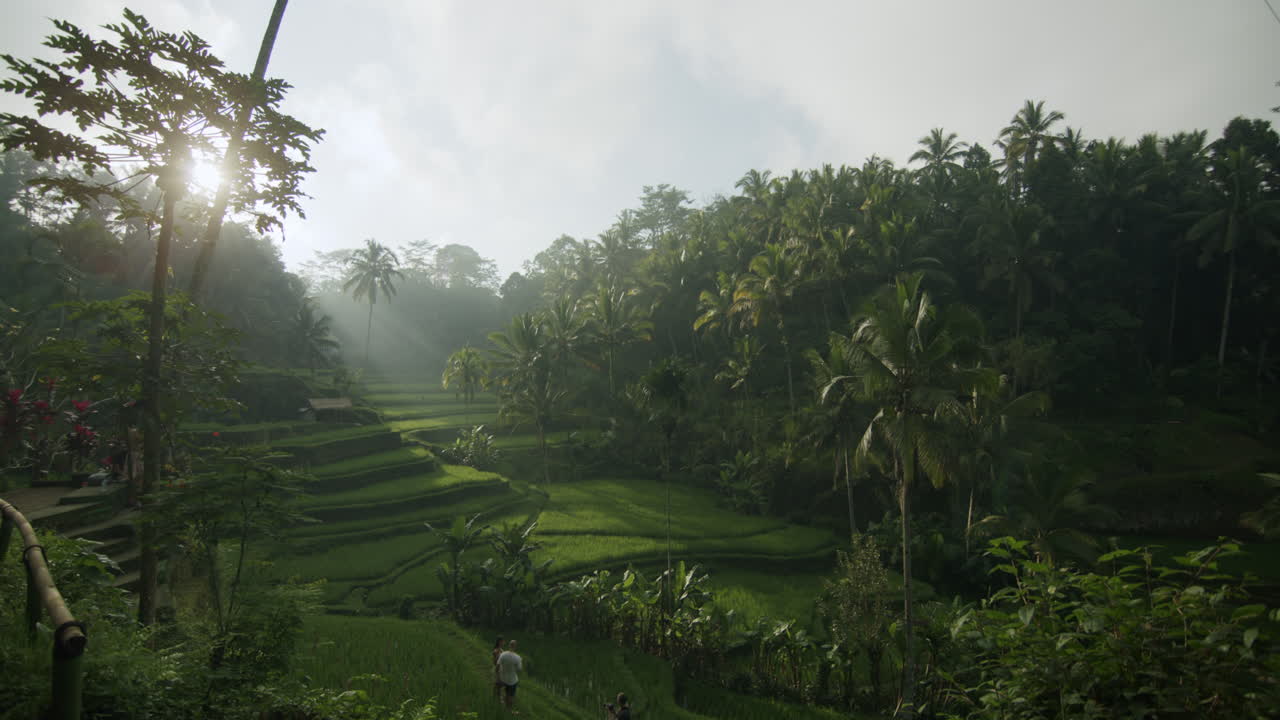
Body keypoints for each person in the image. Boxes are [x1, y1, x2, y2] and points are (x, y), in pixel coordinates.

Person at [496, 639, 523, 713]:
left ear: (509, 645)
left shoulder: (503, 654)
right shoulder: (517, 657)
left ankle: (501, 702)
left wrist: (497, 675)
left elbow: (498, 665)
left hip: (502, 678)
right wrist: (520, 661)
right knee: (510, 696)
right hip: (512, 681)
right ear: (515, 647)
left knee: (501, 690)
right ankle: (509, 710)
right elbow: (519, 669)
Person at [491, 636, 505, 701]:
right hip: (497, 668)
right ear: (499, 642)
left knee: (499, 684)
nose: (503, 643)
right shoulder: (496, 651)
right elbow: (494, 661)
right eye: (502, 641)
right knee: (498, 683)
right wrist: (497, 668)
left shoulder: (501, 650)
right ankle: (496, 697)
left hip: (501, 669)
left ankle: (497, 696)